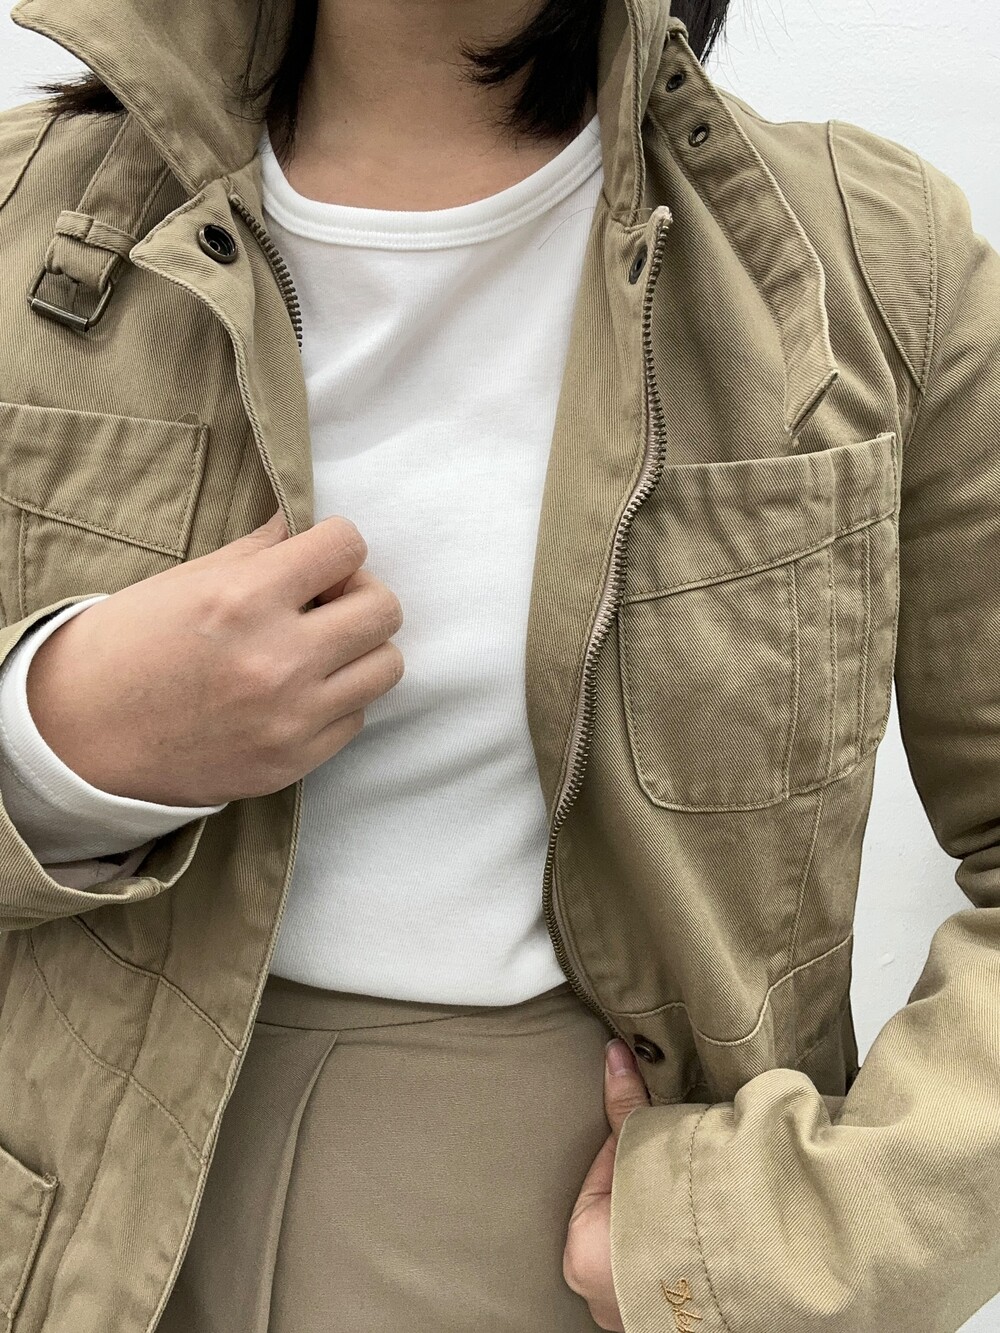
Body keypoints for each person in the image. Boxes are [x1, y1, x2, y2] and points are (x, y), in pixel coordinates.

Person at [0, 0, 997, 1328]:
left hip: (580, 1251)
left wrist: (799, 1236)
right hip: (58, 1233)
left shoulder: (873, 268)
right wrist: (56, 738)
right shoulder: (18, 220)